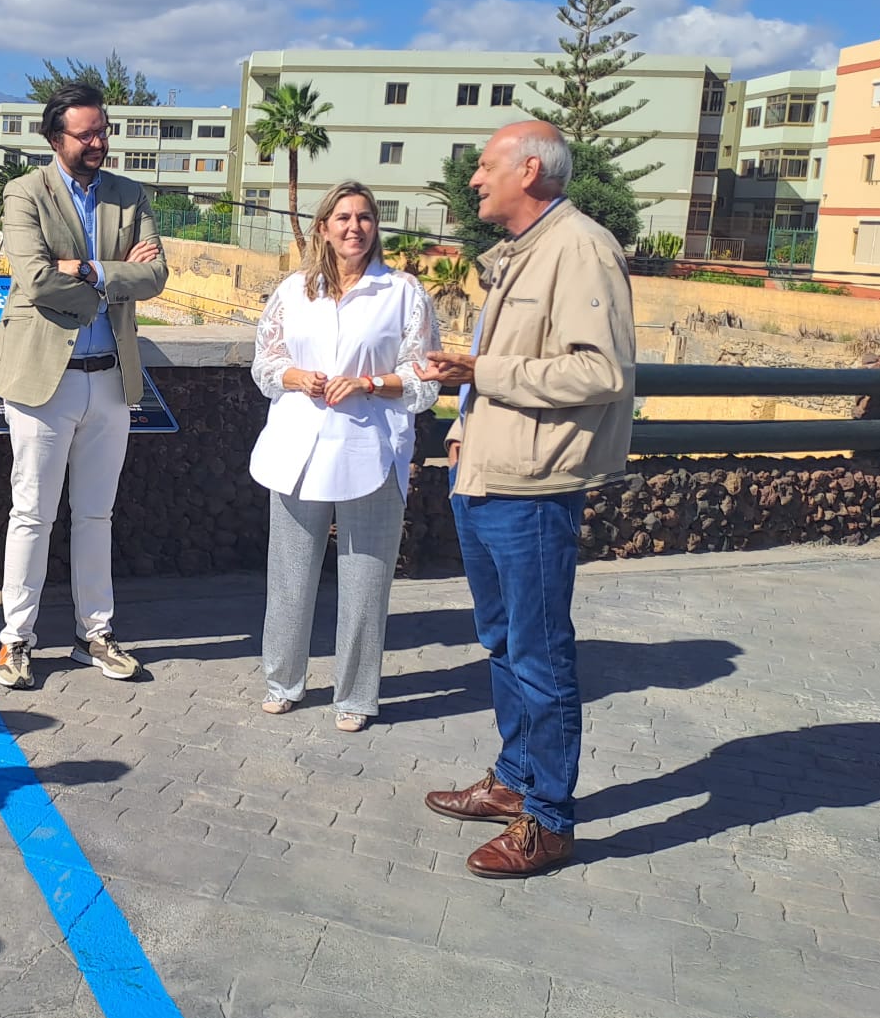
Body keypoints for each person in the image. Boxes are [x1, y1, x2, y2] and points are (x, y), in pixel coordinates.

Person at [416, 121, 635, 879]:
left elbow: (599, 374)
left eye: (484, 166)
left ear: (530, 170)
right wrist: (463, 428)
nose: (473, 179)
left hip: (533, 489)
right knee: (504, 644)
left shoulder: (580, 247)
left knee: (540, 655)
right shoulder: (521, 253)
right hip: (484, 475)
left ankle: (550, 820)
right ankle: (515, 783)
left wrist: (483, 369)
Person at [0, 83, 168, 692]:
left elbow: (156, 274)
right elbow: (33, 279)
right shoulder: (24, 193)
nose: (98, 142)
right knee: (32, 513)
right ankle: (16, 641)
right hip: (42, 381)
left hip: (109, 379)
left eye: (102, 131)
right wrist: (116, 275)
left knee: (95, 513)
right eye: (85, 133)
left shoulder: (128, 194)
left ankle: (95, 635)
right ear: (55, 137)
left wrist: (85, 268)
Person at [249, 181, 438, 732]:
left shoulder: (402, 292)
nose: (354, 227)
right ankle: (282, 681)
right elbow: (266, 364)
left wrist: (370, 383)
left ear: (375, 226)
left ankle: (356, 696)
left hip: (371, 449)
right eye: (343, 218)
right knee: (288, 573)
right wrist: (295, 375)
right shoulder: (292, 291)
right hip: (296, 448)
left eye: (364, 218)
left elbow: (421, 382)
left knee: (365, 578)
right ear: (323, 227)